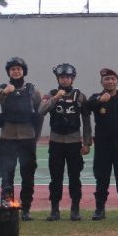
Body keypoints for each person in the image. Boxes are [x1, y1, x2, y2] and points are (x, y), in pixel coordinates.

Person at [0, 57, 43, 220]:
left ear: (23, 71)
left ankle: (26, 209)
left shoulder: (33, 90)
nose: (16, 71)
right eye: (13, 69)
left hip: (27, 137)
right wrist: (4, 92)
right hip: (8, 137)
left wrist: (36, 136)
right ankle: (8, 207)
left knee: (28, 175)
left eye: (19, 69)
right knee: (7, 173)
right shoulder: (2, 88)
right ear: (8, 72)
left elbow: (39, 114)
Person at [39, 63, 92, 221]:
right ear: (58, 78)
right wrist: (55, 98)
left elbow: (87, 120)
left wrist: (87, 142)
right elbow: (41, 111)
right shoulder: (51, 94)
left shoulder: (80, 96)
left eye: (68, 77)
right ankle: (54, 209)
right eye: (62, 77)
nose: (65, 80)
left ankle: (75, 209)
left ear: (72, 78)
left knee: (75, 177)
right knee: (56, 177)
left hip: (74, 143)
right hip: (56, 142)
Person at [86, 68, 118, 220]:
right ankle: (99, 209)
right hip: (103, 146)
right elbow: (85, 108)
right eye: (107, 79)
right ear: (101, 82)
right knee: (102, 178)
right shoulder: (96, 97)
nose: (110, 81)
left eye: (112, 79)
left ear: (117, 81)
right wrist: (99, 101)